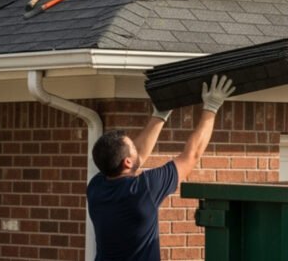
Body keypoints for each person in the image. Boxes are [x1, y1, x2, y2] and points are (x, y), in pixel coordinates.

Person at [87, 75, 235, 261]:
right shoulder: (144, 190)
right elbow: (191, 156)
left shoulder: (96, 188)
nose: (136, 148)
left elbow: (136, 157)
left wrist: (160, 114)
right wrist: (212, 107)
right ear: (126, 162)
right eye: (132, 146)